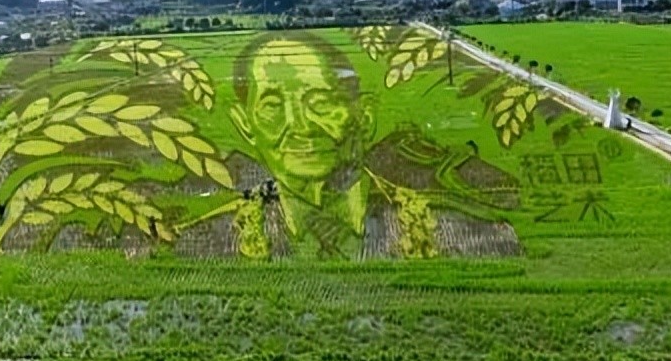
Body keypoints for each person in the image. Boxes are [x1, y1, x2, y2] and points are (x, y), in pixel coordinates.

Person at [176, 33, 521, 260]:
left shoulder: (472, 236)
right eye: (271, 107)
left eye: (321, 102)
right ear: (245, 125)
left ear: (364, 117)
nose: (300, 126)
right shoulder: (204, 242)